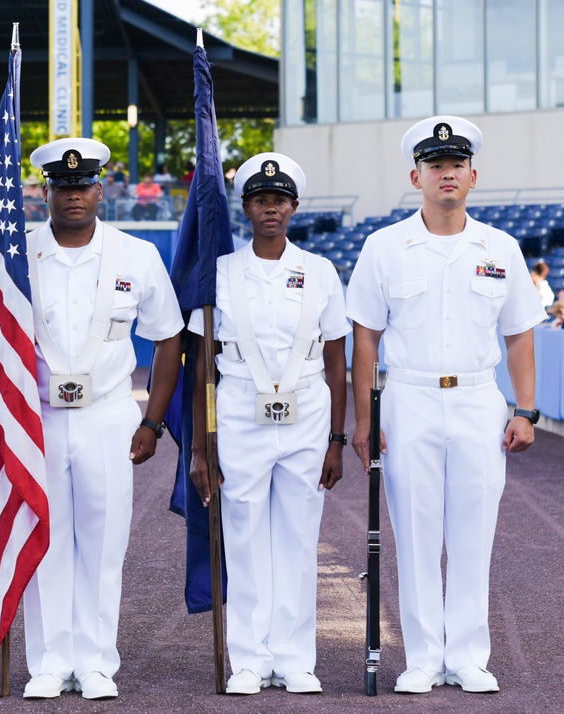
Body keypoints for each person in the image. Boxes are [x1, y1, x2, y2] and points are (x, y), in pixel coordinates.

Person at [345, 116, 546, 695]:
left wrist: (525, 410)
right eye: (436, 166)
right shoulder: (384, 247)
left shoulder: (500, 248)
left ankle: (468, 657)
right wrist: (366, 418)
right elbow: (365, 337)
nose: (447, 174)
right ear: (416, 176)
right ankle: (423, 658)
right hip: (408, 397)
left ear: (473, 176)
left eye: (456, 165)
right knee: (414, 533)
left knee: (472, 533)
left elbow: (519, 334)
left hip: (480, 398)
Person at [20, 137, 183, 701]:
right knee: (44, 541)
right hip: (37, 418)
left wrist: (152, 422)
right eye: (62, 187)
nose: (73, 195)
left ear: (100, 189)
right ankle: (46, 661)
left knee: (103, 542)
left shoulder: (136, 255)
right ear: (46, 191)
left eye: (84, 185)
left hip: (108, 415)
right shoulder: (17, 254)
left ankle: (94, 662)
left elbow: (168, 338)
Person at [188, 153, 350, 696]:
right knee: (245, 535)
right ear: (246, 208)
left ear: (294, 207)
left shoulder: (322, 271)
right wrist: (199, 447)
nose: (270, 209)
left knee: (300, 538)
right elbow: (203, 365)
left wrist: (336, 439)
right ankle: (249, 661)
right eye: (260, 200)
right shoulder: (220, 272)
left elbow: (335, 361)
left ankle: (296, 658)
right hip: (239, 412)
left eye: (279, 200)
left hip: (307, 414)